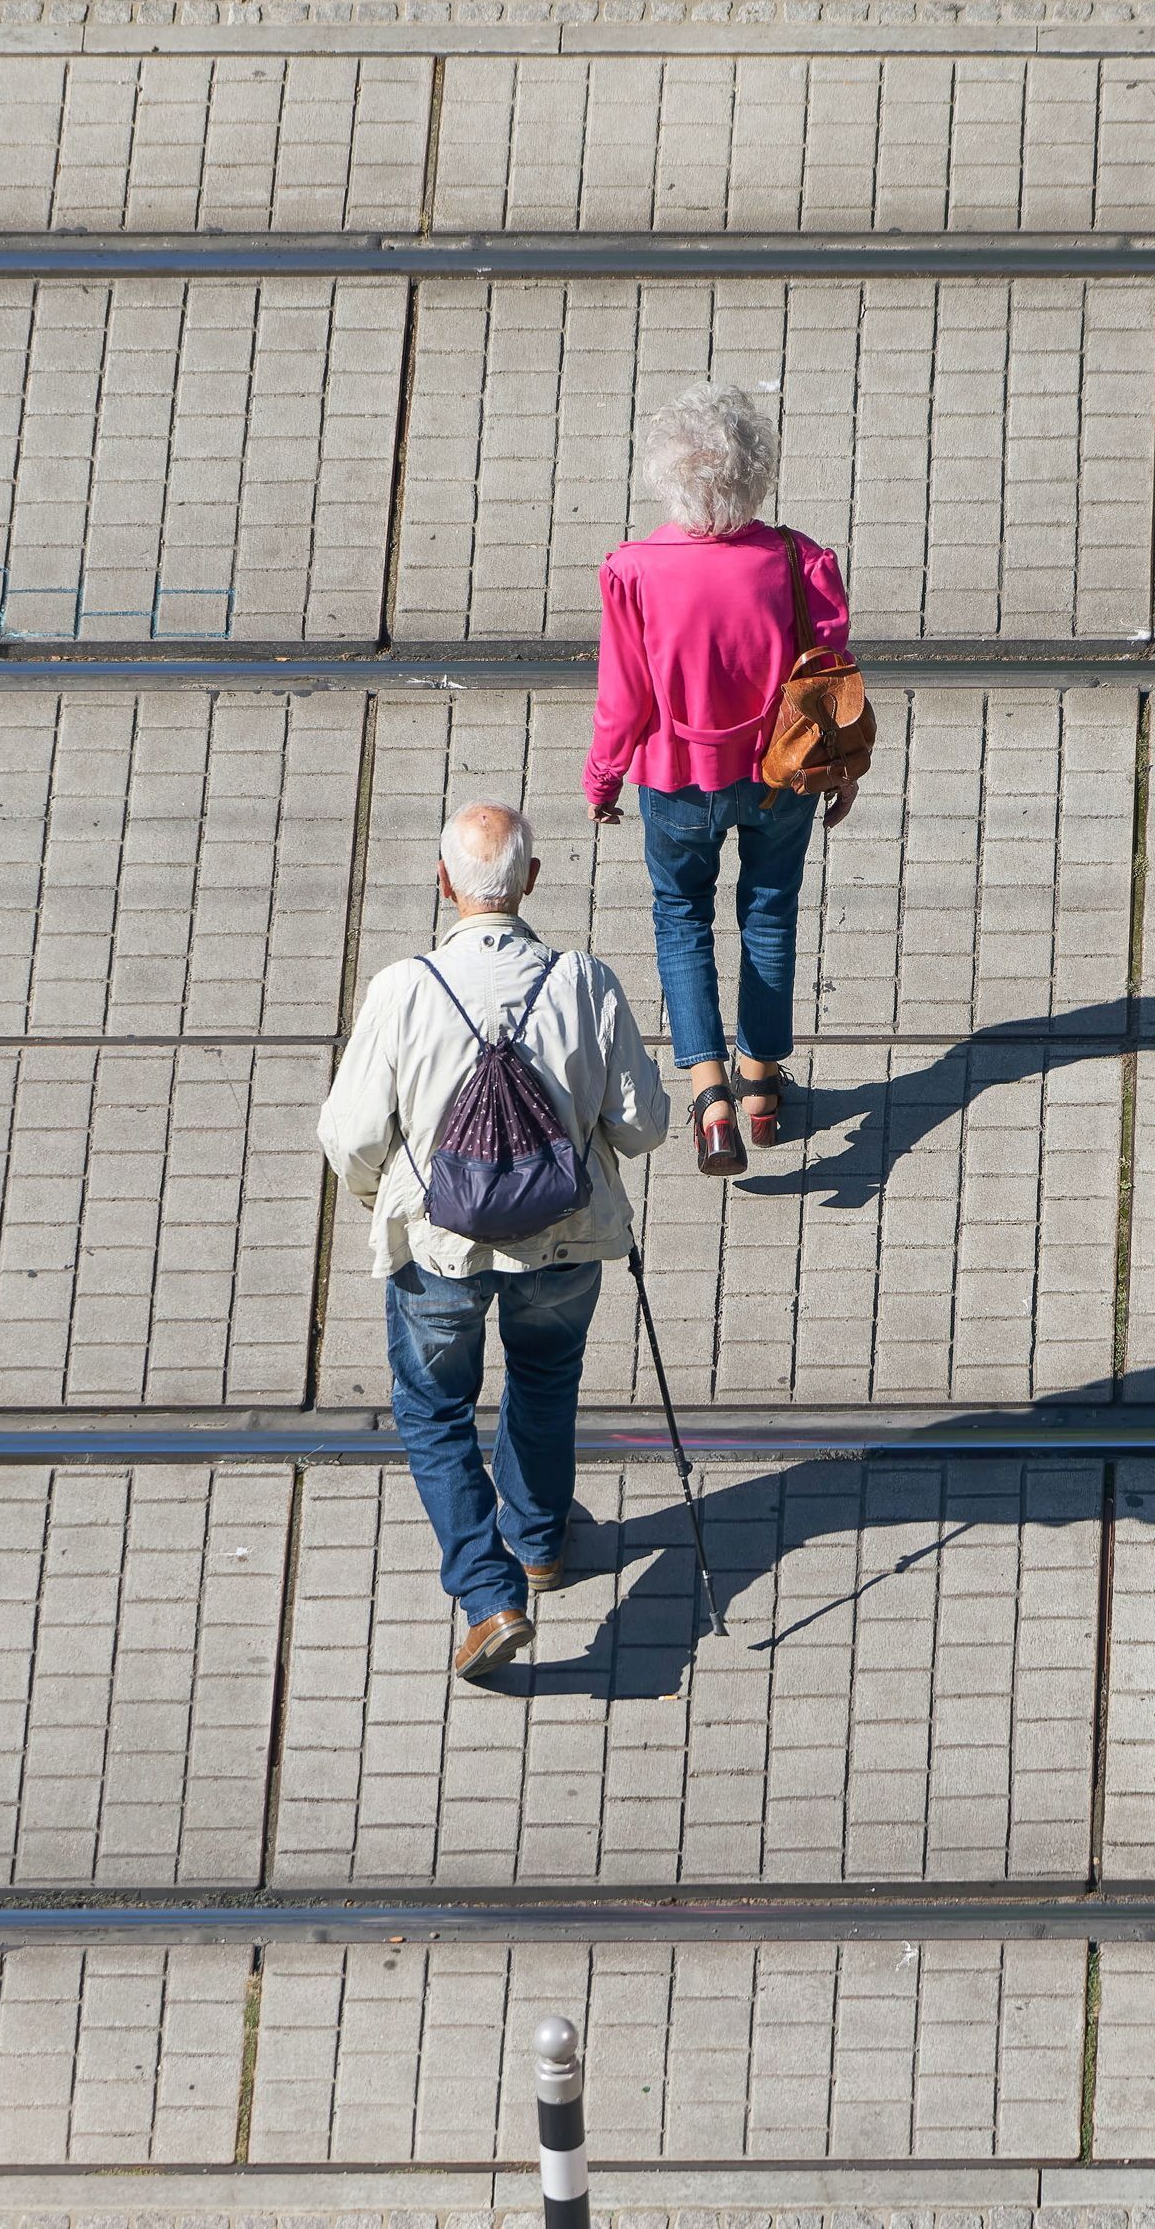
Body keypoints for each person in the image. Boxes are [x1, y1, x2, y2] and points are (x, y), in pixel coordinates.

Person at [316, 800, 671, 1685]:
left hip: (441, 1249)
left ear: (444, 885)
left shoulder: (403, 989)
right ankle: (541, 1540)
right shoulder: (586, 982)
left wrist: (386, 1198)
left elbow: (352, 1134)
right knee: (546, 1381)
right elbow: (641, 1126)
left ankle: (490, 1594)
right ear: (532, 883)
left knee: (435, 1415)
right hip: (565, 1239)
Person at [583, 380, 857, 1180]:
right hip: (782, 776)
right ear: (757, 472)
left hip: (675, 781)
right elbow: (832, 678)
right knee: (769, 915)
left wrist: (603, 779)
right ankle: (764, 1086)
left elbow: (623, 697)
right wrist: (840, 771)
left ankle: (709, 1101)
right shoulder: (800, 561)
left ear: (667, 478)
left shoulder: (633, 570)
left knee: (681, 918)